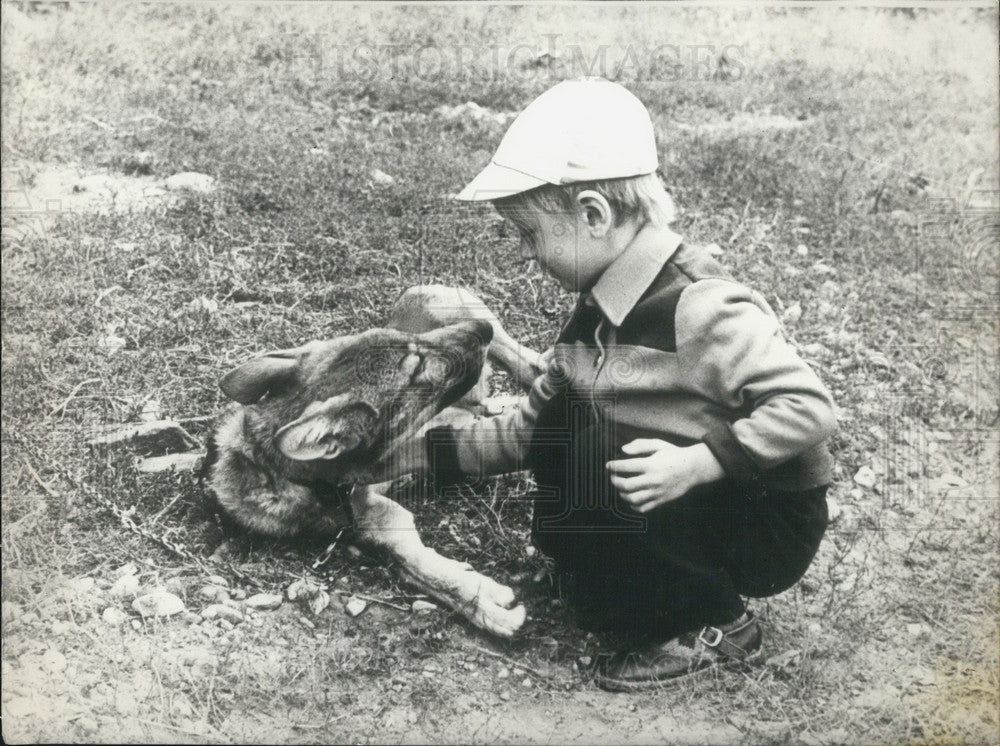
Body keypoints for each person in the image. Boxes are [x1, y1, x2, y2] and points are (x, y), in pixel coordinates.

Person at [422, 78, 836, 691]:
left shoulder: (701, 304)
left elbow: (809, 407)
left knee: (601, 447)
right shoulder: (598, 309)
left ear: (594, 214)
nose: (525, 254)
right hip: (685, 496)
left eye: (529, 235)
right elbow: (532, 427)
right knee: (573, 421)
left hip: (761, 519)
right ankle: (610, 578)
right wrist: (420, 453)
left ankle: (717, 625)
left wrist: (701, 463)